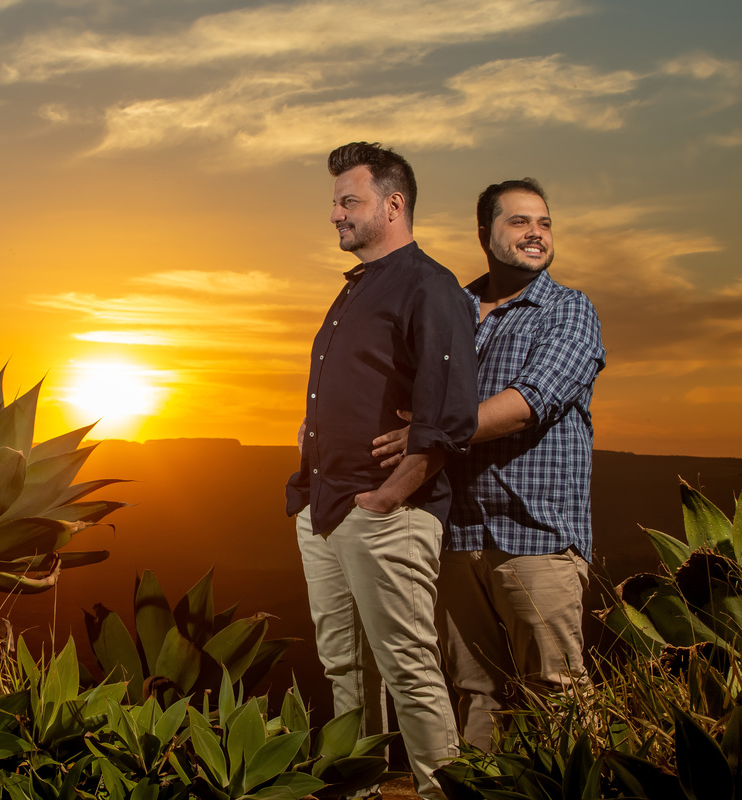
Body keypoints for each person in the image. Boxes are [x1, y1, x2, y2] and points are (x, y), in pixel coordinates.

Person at [372, 178, 605, 751]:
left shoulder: (569, 310)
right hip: (454, 532)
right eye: (519, 222)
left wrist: (430, 434)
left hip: (535, 534)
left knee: (558, 689)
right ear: (484, 234)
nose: (536, 234)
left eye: (544, 223)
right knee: (476, 690)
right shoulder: (455, 308)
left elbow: (530, 402)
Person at [286, 141, 478, 799]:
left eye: (350, 201)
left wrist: (392, 494)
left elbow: (449, 414)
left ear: (393, 205)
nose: (336, 214)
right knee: (344, 667)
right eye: (335, 202)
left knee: (409, 668)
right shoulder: (358, 290)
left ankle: (439, 794)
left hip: (384, 513)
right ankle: (357, 789)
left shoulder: (430, 285)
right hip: (323, 507)